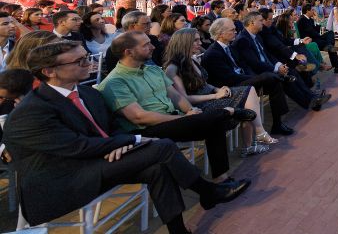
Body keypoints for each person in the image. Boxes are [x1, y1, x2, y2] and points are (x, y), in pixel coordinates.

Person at [4, 41, 250, 234]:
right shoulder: (33, 110)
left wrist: (119, 142)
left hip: (100, 160)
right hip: (64, 179)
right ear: (49, 71)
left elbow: (112, 128)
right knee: (161, 147)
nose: (88, 64)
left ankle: (179, 229)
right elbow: (76, 147)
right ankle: (207, 191)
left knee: (156, 167)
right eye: (79, 61)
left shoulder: (88, 94)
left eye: (86, 57)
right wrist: (127, 142)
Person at [100, 32, 248, 182]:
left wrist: (190, 110)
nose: (152, 47)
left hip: (173, 119)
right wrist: (183, 118)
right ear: (128, 52)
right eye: (146, 45)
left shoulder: (153, 70)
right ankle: (229, 112)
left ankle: (221, 178)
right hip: (146, 130)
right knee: (212, 119)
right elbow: (139, 117)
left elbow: (176, 96)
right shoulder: (114, 82)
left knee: (213, 122)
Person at [163, 28, 274, 157]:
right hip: (199, 107)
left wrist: (217, 89)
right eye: (195, 40)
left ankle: (254, 139)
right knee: (247, 96)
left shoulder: (191, 60)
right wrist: (215, 95)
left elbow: (203, 83)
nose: (200, 43)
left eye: (199, 39)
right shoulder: (172, 69)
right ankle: (253, 140)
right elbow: (185, 99)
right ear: (184, 43)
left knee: (249, 93)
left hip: (211, 97)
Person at [200, 18, 295, 136]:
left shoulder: (229, 46)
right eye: (232, 30)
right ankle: (281, 78)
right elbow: (229, 78)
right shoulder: (213, 53)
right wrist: (255, 78)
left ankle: (277, 123)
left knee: (274, 83)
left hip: (241, 80)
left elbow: (243, 65)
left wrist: (254, 77)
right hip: (229, 88)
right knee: (268, 77)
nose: (236, 31)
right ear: (221, 34)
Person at [233, 12, 330, 112]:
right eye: (261, 21)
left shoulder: (256, 35)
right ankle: (310, 101)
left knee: (291, 71)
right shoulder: (243, 40)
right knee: (285, 78)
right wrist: (276, 68)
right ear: (252, 23)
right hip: (258, 73)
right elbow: (255, 63)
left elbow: (267, 54)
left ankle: (312, 98)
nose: (263, 23)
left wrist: (279, 65)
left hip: (267, 67)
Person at [103, 11, 164, 76]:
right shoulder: (117, 48)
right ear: (132, 27)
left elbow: (162, 59)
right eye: (146, 24)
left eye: (150, 23)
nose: (150, 26)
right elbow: (115, 74)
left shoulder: (153, 39)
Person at [297, 4, 338, 73]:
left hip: (316, 38)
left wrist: (317, 20)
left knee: (330, 33)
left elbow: (316, 31)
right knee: (330, 46)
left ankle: (329, 46)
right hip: (310, 40)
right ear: (307, 11)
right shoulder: (302, 19)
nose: (314, 11)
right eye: (312, 10)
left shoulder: (310, 19)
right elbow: (311, 32)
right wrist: (319, 34)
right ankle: (337, 67)